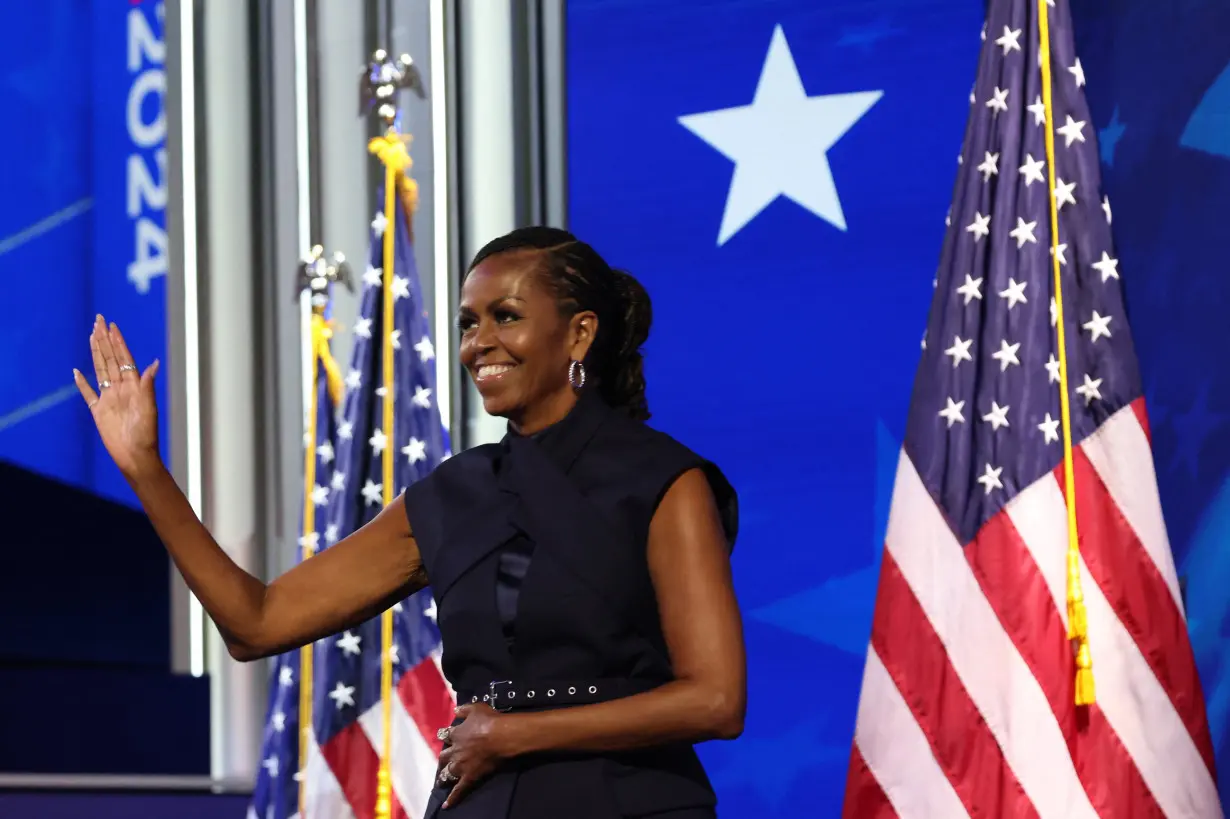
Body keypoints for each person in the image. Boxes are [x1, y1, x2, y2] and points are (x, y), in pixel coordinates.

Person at [74, 226, 746, 818]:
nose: (479, 343)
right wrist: (146, 470)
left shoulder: (665, 481)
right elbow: (256, 621)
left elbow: (716, 699)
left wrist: (515, 734)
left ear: (580, 332)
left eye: (504, 316)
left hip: (630, 802)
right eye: (467, 323)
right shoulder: (452, 494)